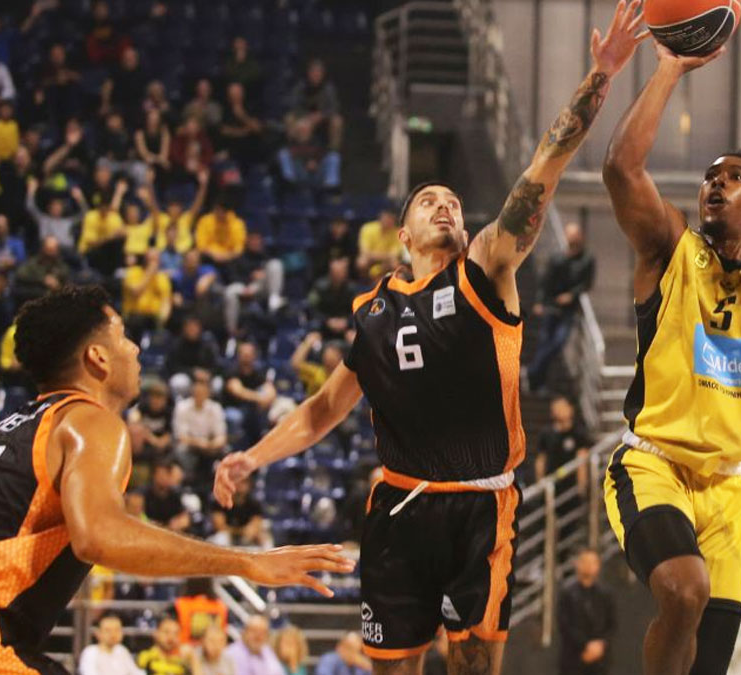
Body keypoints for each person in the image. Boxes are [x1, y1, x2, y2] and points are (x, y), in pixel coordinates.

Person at [214, 6, 642, 672]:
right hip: (398, 507)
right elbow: (322, 410)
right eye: (428, 201)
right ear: (402, 235)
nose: (445, 204)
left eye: (453, 201)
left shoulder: (486, 269)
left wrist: (602, 74)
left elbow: (544, 167)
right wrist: (251, 458)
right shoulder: (372, 311)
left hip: (480, 504)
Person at [0, 286, 353, 673]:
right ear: (98, 357)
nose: (135, 349)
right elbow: (100, 536)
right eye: (123, 336)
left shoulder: (6, 431)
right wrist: (248, 562)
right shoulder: (87, 421)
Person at [600, 30, 741, 675]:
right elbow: (620, 170)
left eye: (734, 177)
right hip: (654, 465)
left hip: (728, 489)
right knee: (683, 590)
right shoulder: (670, 249)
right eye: (709, 177)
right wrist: (669, 70)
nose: (714, 184)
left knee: (710, 661)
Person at [525, 222, 595, 394]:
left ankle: (532, 372)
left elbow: (586, 283)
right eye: (569, 234)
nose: (572, 238)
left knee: (557, 342)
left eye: (574, 234)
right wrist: (540, 302)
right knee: (545, 342)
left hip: (568, 310)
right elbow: (545, 282)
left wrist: (571, 295)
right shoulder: (557, 258)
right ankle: (537, 382)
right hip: (551, 306)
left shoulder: (587, 260)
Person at [557, 549, 615, 675]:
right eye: (585, 561)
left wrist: (600, 645)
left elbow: (611, 624)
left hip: (600, 661)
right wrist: (585, 645)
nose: (588, 566)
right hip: (573, 658)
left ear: (598, 566)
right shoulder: (567, 593)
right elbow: (564, 624)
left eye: (592, 562)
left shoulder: (605, 594)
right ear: (577, 564)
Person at [173, 376, 228, 488]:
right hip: (190, 446)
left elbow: (221, 437)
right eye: (197, 392)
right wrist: (199, 443)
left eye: (202, 392)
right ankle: (188, 484)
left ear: (208, 393)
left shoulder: (215, 408)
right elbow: (181, 436)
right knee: (180, 451)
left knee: (226, 452)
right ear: (192, 392)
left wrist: (211, 445)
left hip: (210, 446)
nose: (199, 395)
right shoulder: (182, 407)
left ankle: (218, 485)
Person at [209, 474, 271, 548]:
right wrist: (240, 531)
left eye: (243, 482)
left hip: (246, 538)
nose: (239, 485)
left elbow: (255, 525)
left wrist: (250, 532)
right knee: (221, 538)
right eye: (236, 481)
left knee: (264, 539)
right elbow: (220, 527)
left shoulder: (254, 504)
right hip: (227, 537)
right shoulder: (220, 502)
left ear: (249, 485)